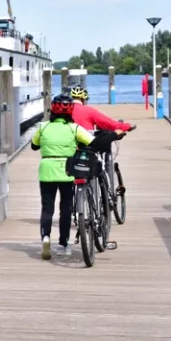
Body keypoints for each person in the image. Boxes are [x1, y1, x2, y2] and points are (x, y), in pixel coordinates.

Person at [31, 94, 122, 260]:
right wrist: (114, 134)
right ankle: (64, 244)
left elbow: (34, 146)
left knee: (47, 208)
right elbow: (95, 143)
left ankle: (45, 238)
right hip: (67, 171)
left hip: (47, 170)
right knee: (65, 208)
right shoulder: (74, 129)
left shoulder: (43, 127)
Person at [69, 86, 135, 133]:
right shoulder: (89, 111)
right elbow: (108, 123)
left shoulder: (64, 110)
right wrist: (127, 126)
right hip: (86, 144)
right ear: (83, 99)